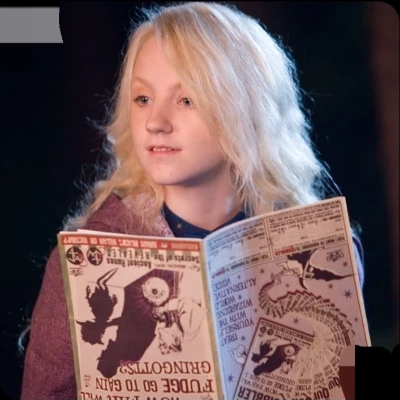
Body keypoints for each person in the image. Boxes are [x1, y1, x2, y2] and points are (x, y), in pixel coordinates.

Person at [20, 2, 365, 399]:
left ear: (246, 111)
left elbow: (341, 384)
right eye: (143, 99)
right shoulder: (84, 262)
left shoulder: (322, 252)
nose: (155, 122)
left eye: (186, 100)